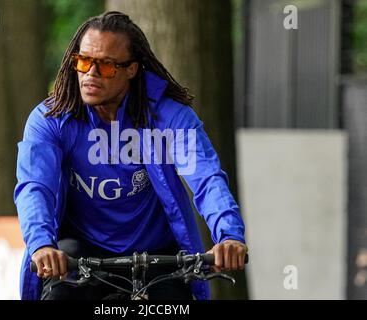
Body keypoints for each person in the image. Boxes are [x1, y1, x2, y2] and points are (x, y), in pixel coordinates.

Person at [14, 11, 247, 300]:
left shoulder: (170, 117)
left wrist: (229, 235)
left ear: (132, 69)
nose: (91, 74)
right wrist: (41, 245)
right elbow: (35, 187)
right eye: (84, 62)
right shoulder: (50, 120)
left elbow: (206, 178)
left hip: (157, 257)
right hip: (80, 254)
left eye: (107, 66)